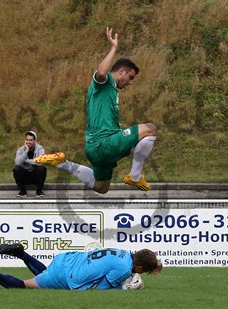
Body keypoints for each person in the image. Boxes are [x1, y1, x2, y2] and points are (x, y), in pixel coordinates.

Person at [34, 27, 157, 194]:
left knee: (101, 187)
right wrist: (113, 48)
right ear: (121, 72)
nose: (130, 82)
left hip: (94, 149)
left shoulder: (111, 91)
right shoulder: (105, 82)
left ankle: (62, 163)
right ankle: (135, 176)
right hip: (104, 144)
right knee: (150, 129)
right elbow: (100, 72)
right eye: (130, 77)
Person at [0, 243, 162, 290]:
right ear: (140, 268)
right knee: (23, 285)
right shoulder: (125, 269)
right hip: (69, 275)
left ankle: (20, 253)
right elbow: (103, 287)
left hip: (66, 259)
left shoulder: (121, 252)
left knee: (47, 273)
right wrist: (125, 287)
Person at [13, 131, 46, 197]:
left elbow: (40, 161)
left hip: (35, 176)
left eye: (31, 140)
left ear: (35, 141)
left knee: (42, 168)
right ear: (25, 140)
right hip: (25, 177)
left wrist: (26, 160)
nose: (29, 142)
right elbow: (17, 162)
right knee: (16, 169)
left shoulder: (40, 149)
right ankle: (22, 191)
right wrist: (26, 151)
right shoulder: (20, 149)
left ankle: (39, 191)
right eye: (27, 140)